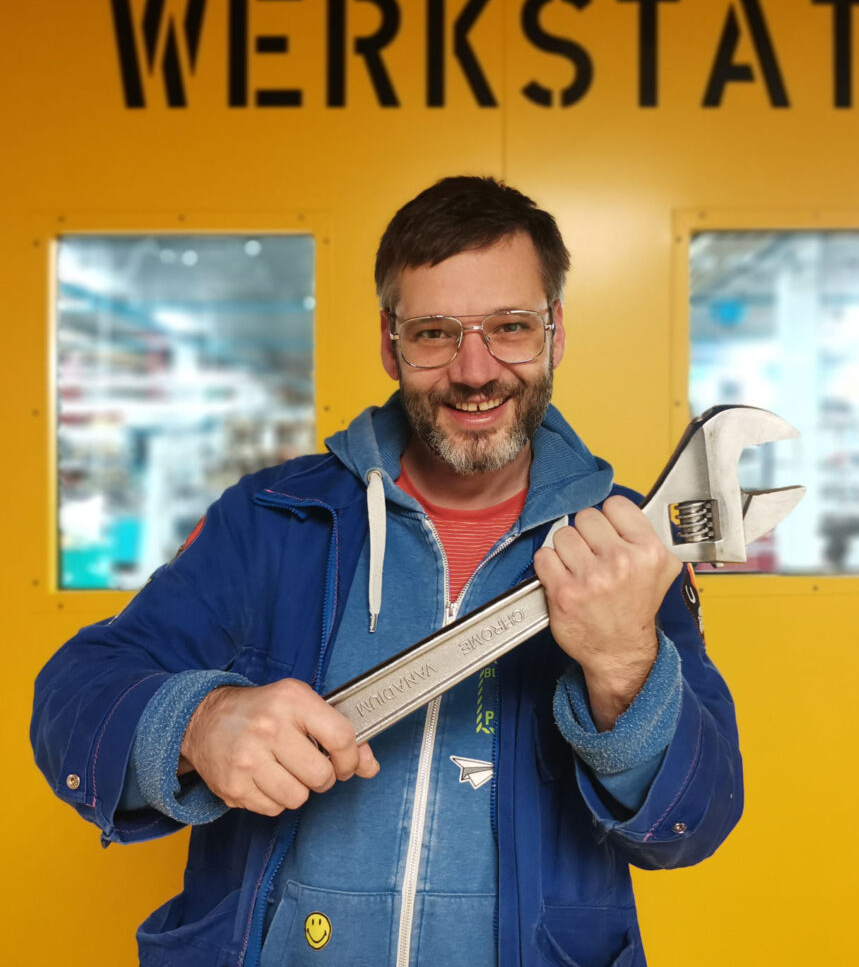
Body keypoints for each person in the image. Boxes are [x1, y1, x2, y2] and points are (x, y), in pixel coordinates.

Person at [32, 176, 743, 967]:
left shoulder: (625, 546)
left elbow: (697, 818)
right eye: (436, 333)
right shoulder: (275, 520)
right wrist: (200, 724)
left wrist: (622, 665)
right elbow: (73, 694)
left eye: (510, 327)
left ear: (556, 332)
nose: (476, 371)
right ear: (389, 341)